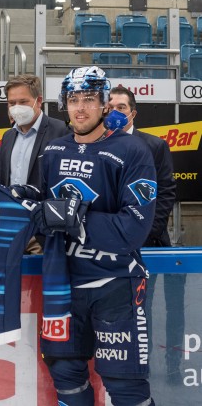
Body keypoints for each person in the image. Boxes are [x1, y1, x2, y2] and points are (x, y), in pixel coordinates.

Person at [32, 66, 157, 405]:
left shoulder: (133, 151)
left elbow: (133, 230)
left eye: (90, 99)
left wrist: (72, 218)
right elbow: (44, 222)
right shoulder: (53, 153)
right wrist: (34, 213)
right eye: (73, 99)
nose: (81, 108)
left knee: (126, 387)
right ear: (64, 104)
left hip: (115, 287)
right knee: (67, 379)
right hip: (64, 286)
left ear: (105, 105)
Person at [109, 85, 184, 385]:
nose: (114, 112)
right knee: (134, 312)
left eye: (121, 107)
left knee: (164, 308)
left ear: (133, 112)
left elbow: (166, 193)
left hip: (149, 245)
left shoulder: (154, 145)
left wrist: (141, 234)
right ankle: (140, 367)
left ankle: (173, 365)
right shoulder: (96, 144)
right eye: (109, 106)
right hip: (112, 248)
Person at [0, 74, 69, 188]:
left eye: (23, 102)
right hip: (10, 204)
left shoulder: (61, 132)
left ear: (39, 101)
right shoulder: (7, 137)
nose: (17, 108)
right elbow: (1, 179)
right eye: (12, 103)